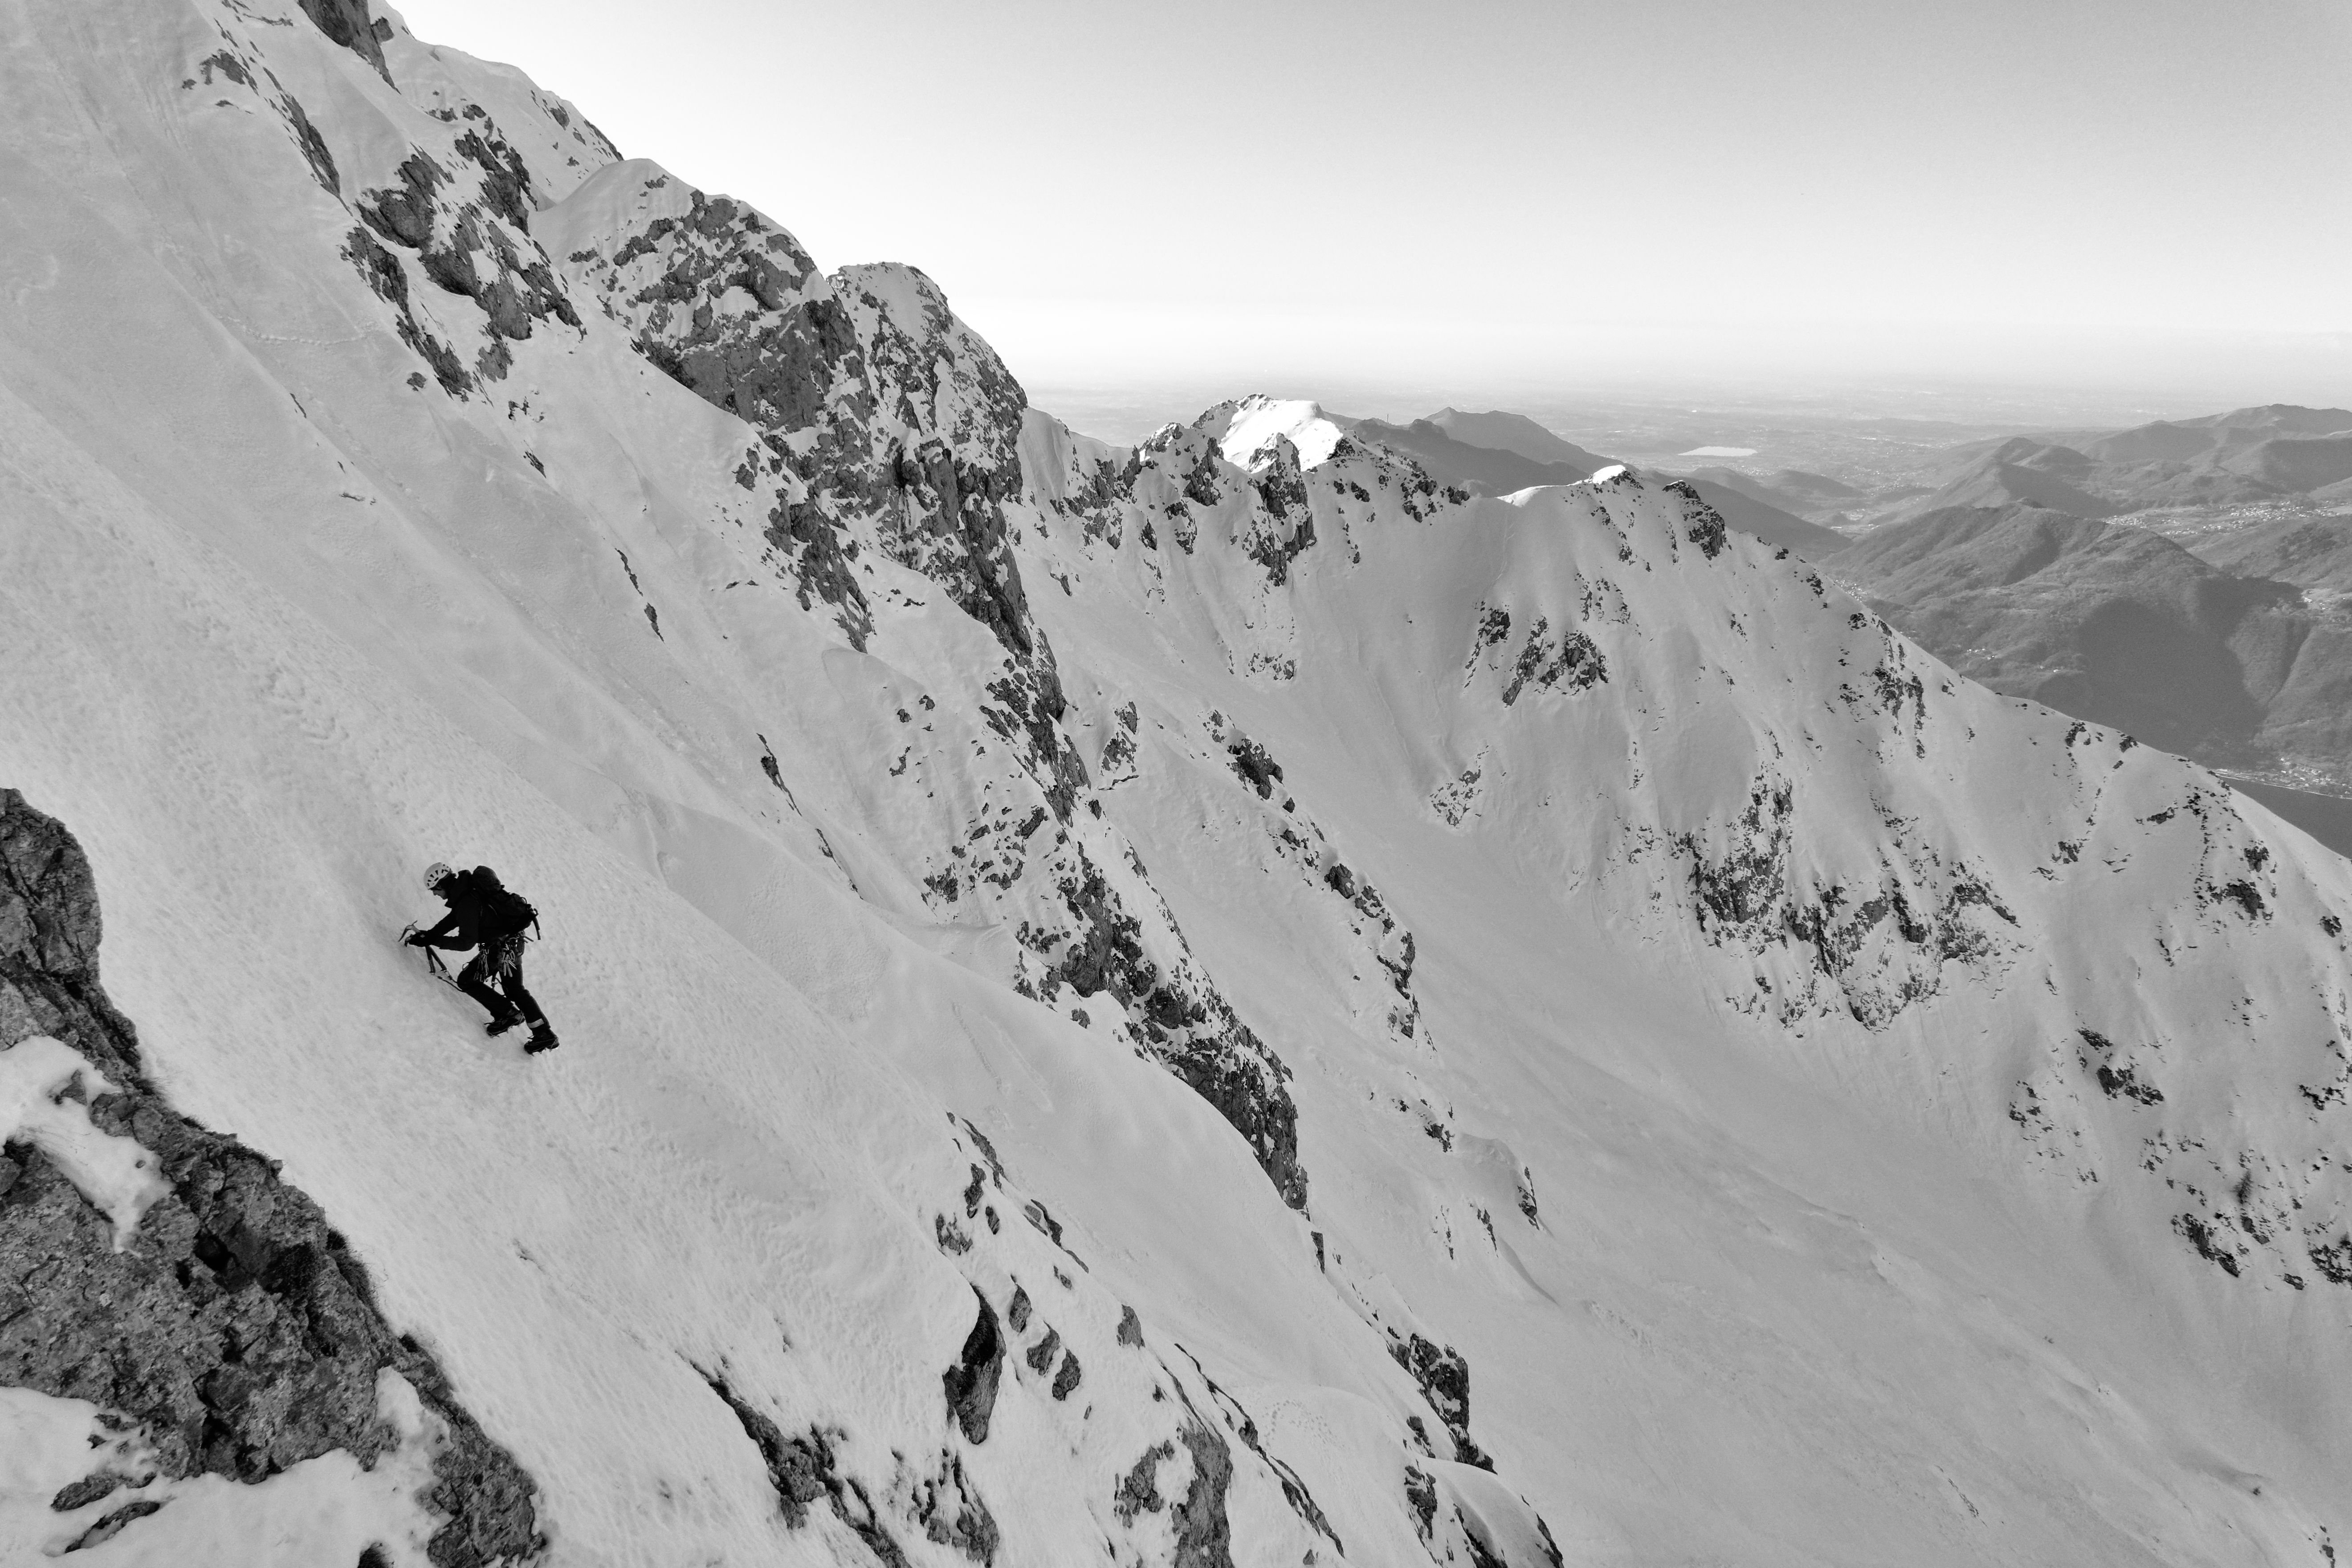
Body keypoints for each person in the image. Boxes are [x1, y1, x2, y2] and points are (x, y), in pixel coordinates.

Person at [407, 862, 558, 1053]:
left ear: (441, 885)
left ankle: (509, 1014)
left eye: (434, 890)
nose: (435, 895)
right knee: (515, 989)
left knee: (468, 980)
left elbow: (465, 943)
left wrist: (434, 939)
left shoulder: (466, 902)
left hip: (499, 950)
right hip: (513, 945)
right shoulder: (468, 893)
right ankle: (543, 1034)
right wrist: (429, 935)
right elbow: (454, 919)